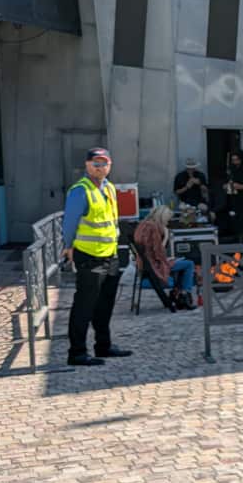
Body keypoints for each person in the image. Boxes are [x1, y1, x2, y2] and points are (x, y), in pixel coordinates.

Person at [62, 147, 133, 366]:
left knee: (105, 304)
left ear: (110, 165)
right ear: (87, 165)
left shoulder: (109, 188)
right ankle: (77, 353)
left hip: (110, 255)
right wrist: (68, 247)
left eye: (104, 163)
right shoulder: (80, 190)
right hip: (89, 256)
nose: (100, 167)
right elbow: (69, 223)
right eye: (96, 163)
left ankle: (103, 345)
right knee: (84, 305)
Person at [133, 206, 197, 310]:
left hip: (145, 265)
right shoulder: (153, 228)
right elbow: (159, 253)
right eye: (167, 220)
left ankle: (177, 295)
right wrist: (166, 237)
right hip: (154, 266)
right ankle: (184, 294)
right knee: (189, 264)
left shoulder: (142, 225)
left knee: (178, 264)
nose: (167, 223)